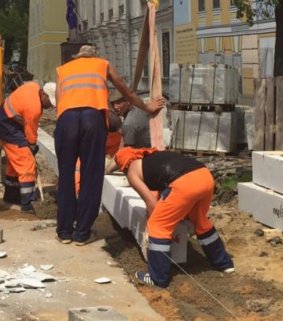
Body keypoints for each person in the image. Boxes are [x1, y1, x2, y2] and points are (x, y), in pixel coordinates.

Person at [54, 45, 165, 245]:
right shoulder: (102, 64)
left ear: (77, 56)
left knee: (66, 174)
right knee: (91, 174)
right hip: (92, 117)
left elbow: (60, 100)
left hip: (66, 120)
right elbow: (128, 93)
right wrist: (148, 107)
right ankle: (82, 233)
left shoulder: (62, 69)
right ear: (94, 55)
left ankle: (64, 231)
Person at [114, 147, 234, 288]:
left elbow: (151, 203)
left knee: (157, 226)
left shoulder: (132, 172)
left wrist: (150, 234)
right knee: (200, 220)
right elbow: (162, 191)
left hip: (184, 183)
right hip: (205, 177)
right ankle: (224, 264)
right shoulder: (153, 159)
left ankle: (158, 278)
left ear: (123, 166)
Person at [0, 80, 54, 212]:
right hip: (7, 125)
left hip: (4, 121)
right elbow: (31, 130)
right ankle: (28, 202)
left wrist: (31, 145)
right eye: (50, 102)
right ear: (43, 95)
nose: (51, 106)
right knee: (26, 163)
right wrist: (31, 146)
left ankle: (11, 195)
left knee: (15, 162)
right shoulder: (34, 107)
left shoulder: (33, 86)